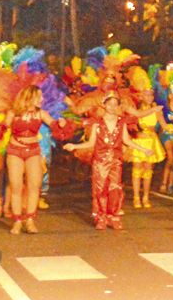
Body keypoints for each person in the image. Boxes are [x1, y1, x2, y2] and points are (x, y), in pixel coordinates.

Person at [65, 91, 128, 230]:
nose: (112, 107)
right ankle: (101, 216)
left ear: (118, 106)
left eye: (115, 104)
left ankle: (114, 216)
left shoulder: (121, 123)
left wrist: (143, 149)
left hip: (116, 161)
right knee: (100, 189)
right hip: (100, 161)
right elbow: (90, 143)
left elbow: (127, 140)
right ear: (104, 105)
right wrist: (74, 145)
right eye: (109, 104)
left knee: (115, 188)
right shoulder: (97, 124)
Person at [2, 86, 47, 235]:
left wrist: (62, 125)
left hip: (33, 151)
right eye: (39, 97)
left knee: (34, 185)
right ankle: (17, 221)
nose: (42, 99)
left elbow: (56, 125)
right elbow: (3, 128)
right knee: (16, 186)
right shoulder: (13, 113)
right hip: (15, 151)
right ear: (30, 97)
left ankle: (29, 220)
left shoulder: (41, 113)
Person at [125, 72, 167, 210]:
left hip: (151, 140)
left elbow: (164, 125)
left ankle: (146, 196)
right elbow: (138, 115)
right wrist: (154, 109)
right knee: (137, 168)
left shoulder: (157, 109)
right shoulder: (135, 108)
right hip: (138, 140)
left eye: (151, 94)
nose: (150, 97)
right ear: (141, 96)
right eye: (147, 94)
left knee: (148, 169)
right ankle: (137, 196)